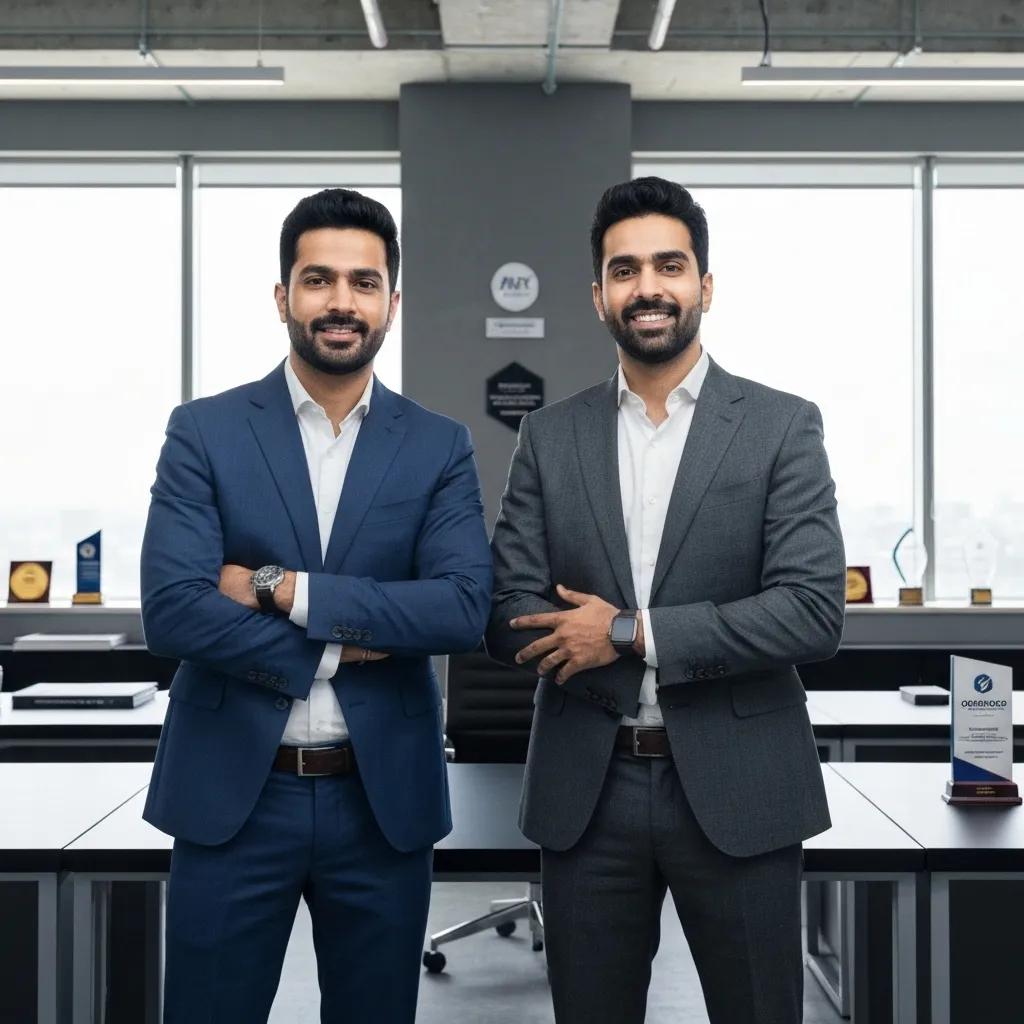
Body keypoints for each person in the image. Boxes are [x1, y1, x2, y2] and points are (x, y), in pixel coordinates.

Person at [486, 176, 846, 1024]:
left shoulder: (780, 427)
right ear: (600, 294)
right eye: (625, 269)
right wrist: (566, 632)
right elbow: (508, 607)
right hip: (589, 786)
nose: (647, 287)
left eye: (669, 265)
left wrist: (627, 631)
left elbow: (811, 611)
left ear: (705, 286)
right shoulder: (551, 434)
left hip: (743, 783)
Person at [141, 188, 492, 1023]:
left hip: (380, 805)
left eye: (364, 283)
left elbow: (461, 610)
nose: (342, 303)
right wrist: (354, 639)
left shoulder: (438, 445)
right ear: (283, 297)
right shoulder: (205, 431)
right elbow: (174, 612)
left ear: (392, 303)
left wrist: (282, 591)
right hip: (234, 795)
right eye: (319, 280)